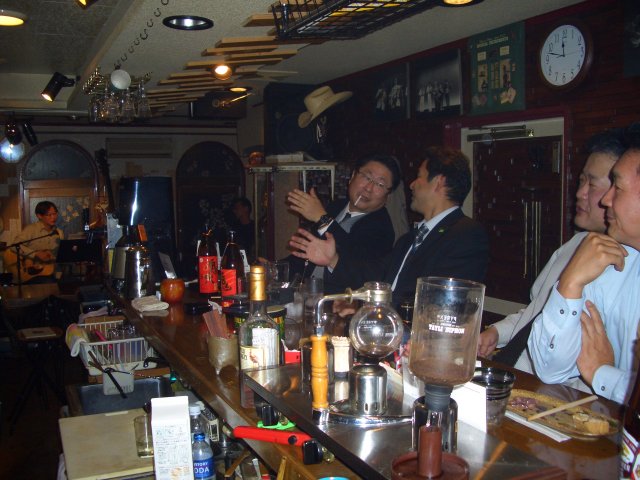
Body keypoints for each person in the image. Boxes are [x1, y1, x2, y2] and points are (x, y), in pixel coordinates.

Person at [477, 128, 626, 371]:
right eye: (581, 181)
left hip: (548, 387)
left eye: (592, 184)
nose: (580, 193)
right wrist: (497, 332)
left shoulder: (625, 269)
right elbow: (538, 310)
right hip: (511, 372)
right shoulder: (575, 244)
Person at [288, 146, 489, 306]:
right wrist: (333, 260)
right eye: (366, 177)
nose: (412, 185)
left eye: (419, 176)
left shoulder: (465, 234)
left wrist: (377, 312)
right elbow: (376, 277)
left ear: (438, 182)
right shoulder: (410, 238)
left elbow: (443, 303)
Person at [528, 142, 640, 404]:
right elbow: (550, 369)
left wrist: (603, 374)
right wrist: (570, 282)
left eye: (617, 187)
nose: (606, 200)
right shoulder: (617, 262)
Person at [285, 153, 399, 293]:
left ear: (387, 196)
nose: (368, 188)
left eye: (380, 184)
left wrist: (323, 219)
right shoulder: (335, 207)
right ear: (352, 176)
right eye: (366, 177)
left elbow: (355, 260)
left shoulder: (382, 228)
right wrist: (276, 267)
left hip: (338, 300)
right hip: (304, 292)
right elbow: (306, 253)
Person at [4, 201, 63, 284]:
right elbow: (14, 246)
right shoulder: (31, 229)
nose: (53, 217)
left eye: (55, 214)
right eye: (49, 215)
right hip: (31, 273)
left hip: (50, 271)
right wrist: (35, 254)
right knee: (48, 282)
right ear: (39, 216)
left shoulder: (59, 233)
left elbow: (58, 256)